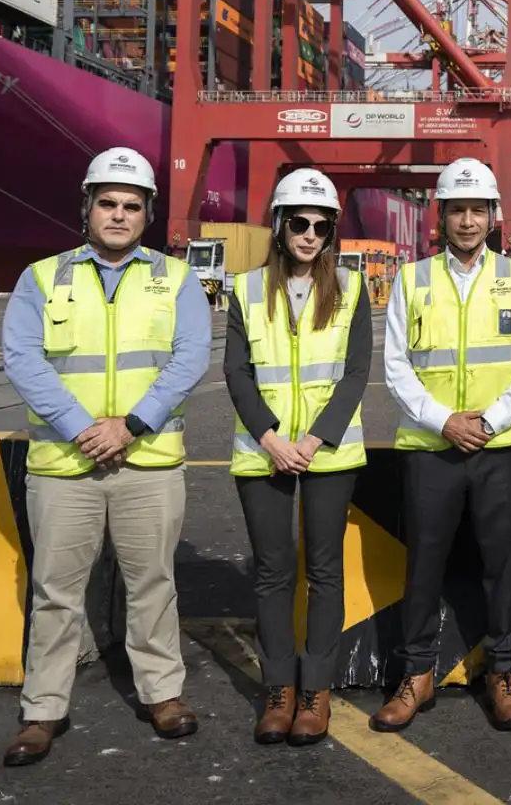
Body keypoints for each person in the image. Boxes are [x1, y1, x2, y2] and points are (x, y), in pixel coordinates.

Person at [0, 147, 212, 767]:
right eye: (109, 204)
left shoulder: (177, 280)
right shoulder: (40, 277)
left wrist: (131, 426)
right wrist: (80, 427)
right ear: (87, 207)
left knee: (153, 585)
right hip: (65, 466)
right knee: (55, 593)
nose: (119, 215)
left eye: (132, 206)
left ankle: (163, 695)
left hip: (147, 461)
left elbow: (189, 358)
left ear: (147, 215)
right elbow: (23, 359)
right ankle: (42, 711)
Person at [370, 156, 511, 734]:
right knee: (423, 565)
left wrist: (489, 423)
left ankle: (502, 672)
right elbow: (396, 365)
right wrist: (444, 420)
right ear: (439, 216)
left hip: (496, 448)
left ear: (493, 217)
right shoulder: (411, 278)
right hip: (430, 445)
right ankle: (416, 673)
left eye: (477, 210)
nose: (467, 221)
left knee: (502, 565)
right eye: (457, 210)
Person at [225, 168, 371, 746]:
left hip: (326, 451)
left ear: (332, 231)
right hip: (265, 450)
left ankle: (316, 690)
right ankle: (278, 689)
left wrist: (313, 439)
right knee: (271, 573)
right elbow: (236, 371)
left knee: (324, 572)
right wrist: (269, 437)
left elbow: (357, 371)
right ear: (280, 226)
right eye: (300, 223)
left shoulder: (353, 289)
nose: (310, 235)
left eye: (321, 225)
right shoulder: (244, 288)